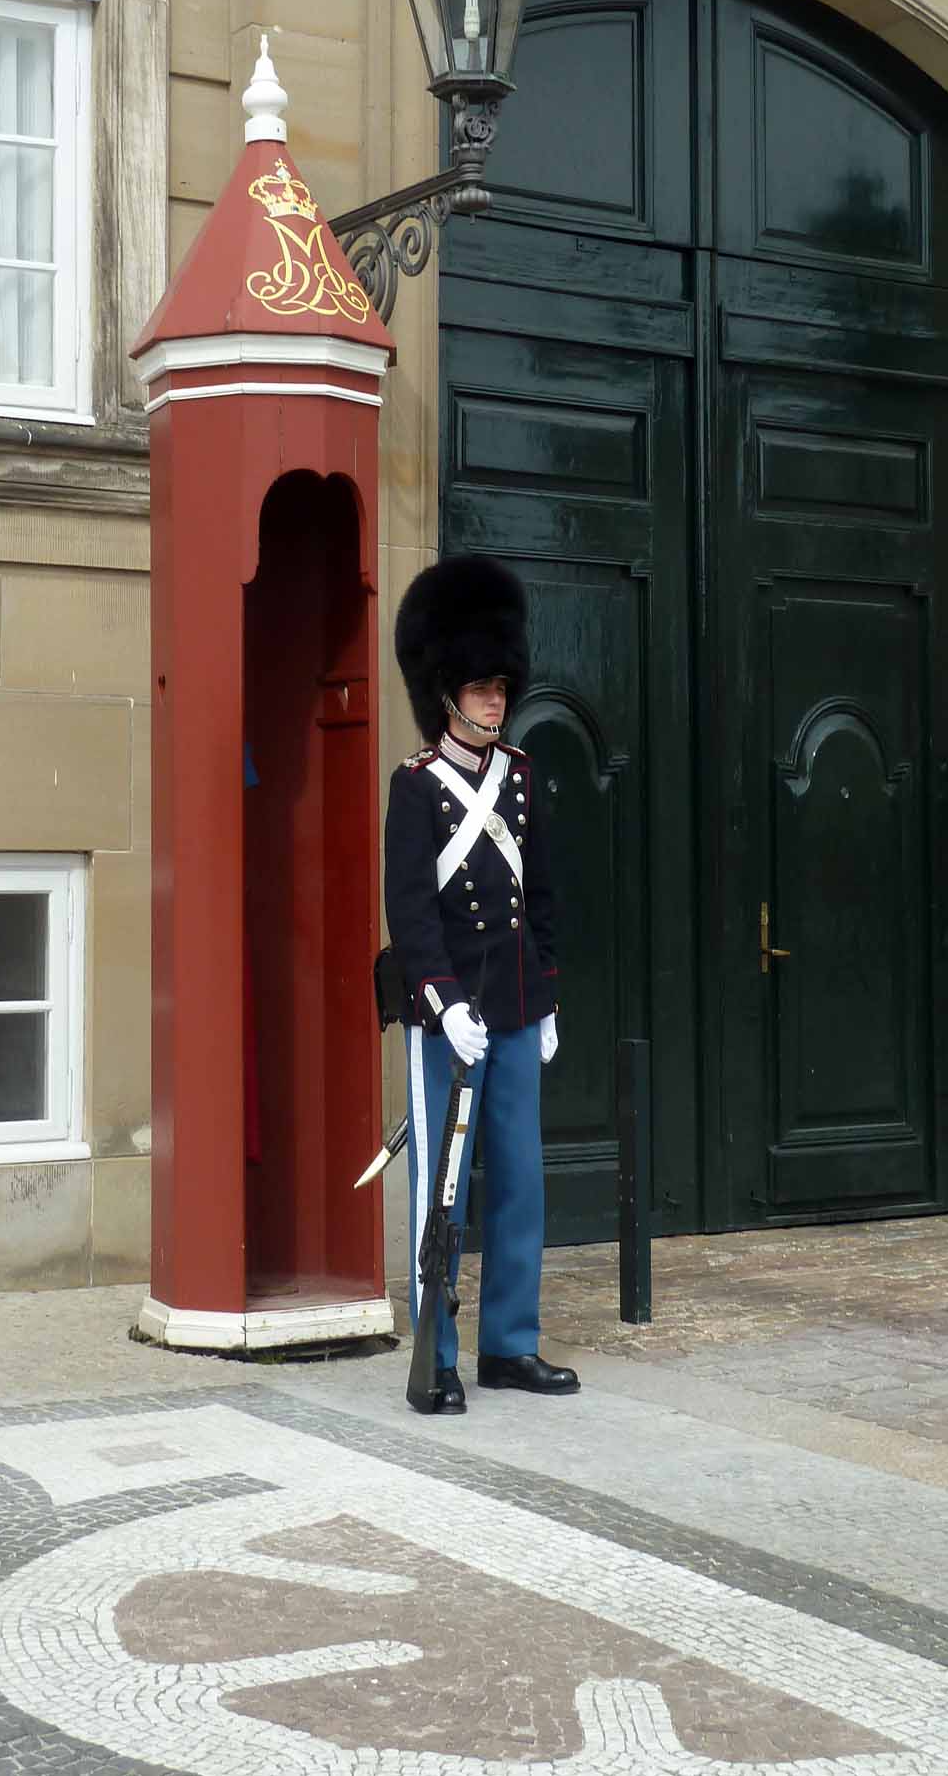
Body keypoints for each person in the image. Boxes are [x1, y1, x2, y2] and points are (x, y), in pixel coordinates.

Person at [384, 554, 581, 1416]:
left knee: (521, 1182)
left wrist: (544, 999)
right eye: (479, 685)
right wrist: (441, 1000)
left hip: (509, 1011)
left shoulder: (526, 779)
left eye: (501, 684)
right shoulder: (415, 788)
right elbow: (410, 909)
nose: (496, 699)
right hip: (448, 1022)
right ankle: (441, 1356)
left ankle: (511, 1343)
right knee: (445, 1188)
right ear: (446, 691)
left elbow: (541, 899)